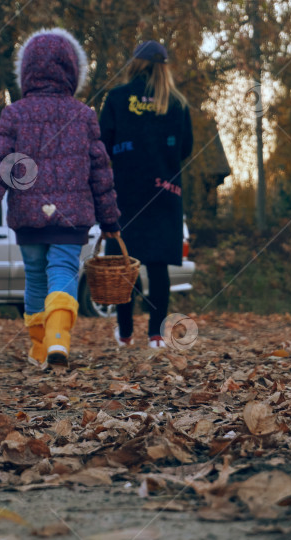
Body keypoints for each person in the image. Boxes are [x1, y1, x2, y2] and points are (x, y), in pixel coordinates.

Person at [0, 28, 121, 369]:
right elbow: (101, 172)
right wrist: (110, 220)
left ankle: (39, 348)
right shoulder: (84, 115)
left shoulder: (14, 114)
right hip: (72, 215)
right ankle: (58, 340)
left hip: (28, 214)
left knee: (35, 275)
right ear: (72, 71)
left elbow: (0, 167)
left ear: (27, 72)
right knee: (63, 269)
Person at [99, 40, 193, 348]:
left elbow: (103, 144)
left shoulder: (116, 98)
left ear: (135, 64)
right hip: (165, 192)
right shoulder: (177, 103)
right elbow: (186, 149)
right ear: (164, 67)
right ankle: (155, 334)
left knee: (124, 264)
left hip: (125, 192)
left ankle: (125, 333)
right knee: (158, 264)